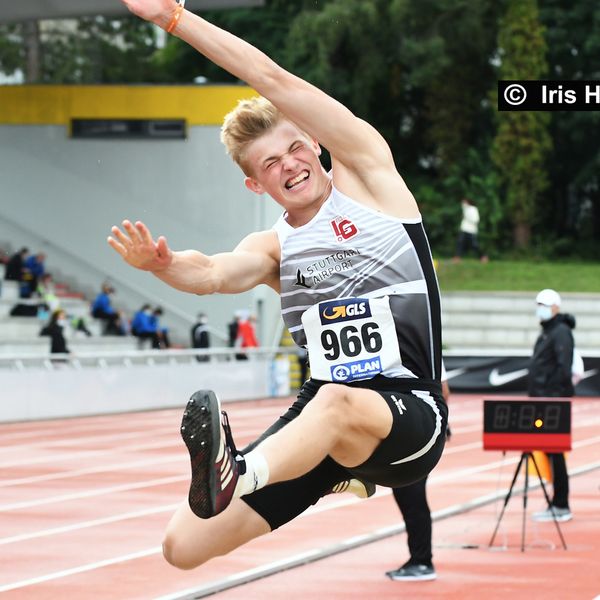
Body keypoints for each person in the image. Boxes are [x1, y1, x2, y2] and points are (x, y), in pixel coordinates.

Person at [110, 0, 447, 572]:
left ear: (315, 144)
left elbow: (271, 79)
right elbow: (213, 273)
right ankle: (319, 473)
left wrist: (175, 20)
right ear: (254, 183)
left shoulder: (370, 180)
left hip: (409, 417)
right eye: (270, 164)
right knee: (182, 548)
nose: (290, 165)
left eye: (294, 147)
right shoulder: (273, 248)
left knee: (337, 400)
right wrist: (161, 264)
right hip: (324, 426)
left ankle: (239, 471)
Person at [386, 365, 451, 582]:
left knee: (412, 497)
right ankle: (419, 558)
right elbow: (444, 389)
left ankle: (422, 561)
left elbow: (444, 389)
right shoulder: (424, 345)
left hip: (413, 431)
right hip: (415, 427)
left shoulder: (405, 347)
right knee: (408, 497)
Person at [528, 288, 574, 523]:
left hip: (552, 402)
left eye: (544, 304)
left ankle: (561, 504)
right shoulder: (547, 332)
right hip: (543, 400)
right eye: (538, 304)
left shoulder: (561, 332)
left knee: (555, 452)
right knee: (549, 452)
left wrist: (550, 396)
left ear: (556, 307)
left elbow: (563, 369)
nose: (540, 308)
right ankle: (557, 501)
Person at [453, 198, 487, 263]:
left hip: (471, 230)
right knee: (460, 242)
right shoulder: (465, 209)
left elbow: (476, 220)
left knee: (474, 245)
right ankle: (457, 257)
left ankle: (483, 256)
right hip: (464, 229)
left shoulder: (473, 209)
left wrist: (467, 217)